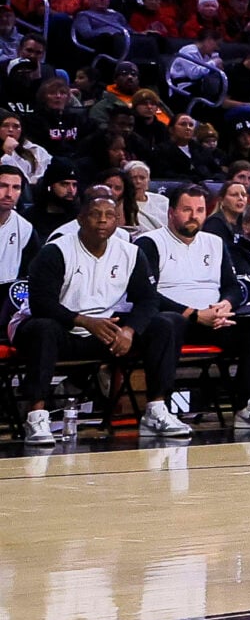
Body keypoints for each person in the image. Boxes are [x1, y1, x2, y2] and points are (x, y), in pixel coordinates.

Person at [12, 186, 185, 444]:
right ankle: (36, 417)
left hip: (105, 332)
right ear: (81, 218)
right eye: (95, 214)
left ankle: (157, 409)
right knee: (43, 328)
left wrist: (130, 331)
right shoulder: (56, 250)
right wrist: (84, 321)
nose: (102, 220)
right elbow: (41, 304)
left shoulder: (130, 252)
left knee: (166, 323)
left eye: (109, 214)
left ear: (118, 220)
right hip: (62, 329)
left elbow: (148, 300)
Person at [137, 182, 250, 428]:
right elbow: (146, 295)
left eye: (200, 210)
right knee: (165, 322)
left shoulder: (214, 242)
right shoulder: (149, 242)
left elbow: (233, 287)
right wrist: (193, 314)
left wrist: (225, 304)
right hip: (176, 319)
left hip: (215, 319)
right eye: (187, 210)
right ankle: (156, 409)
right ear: (171, 212)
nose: (194, 216)